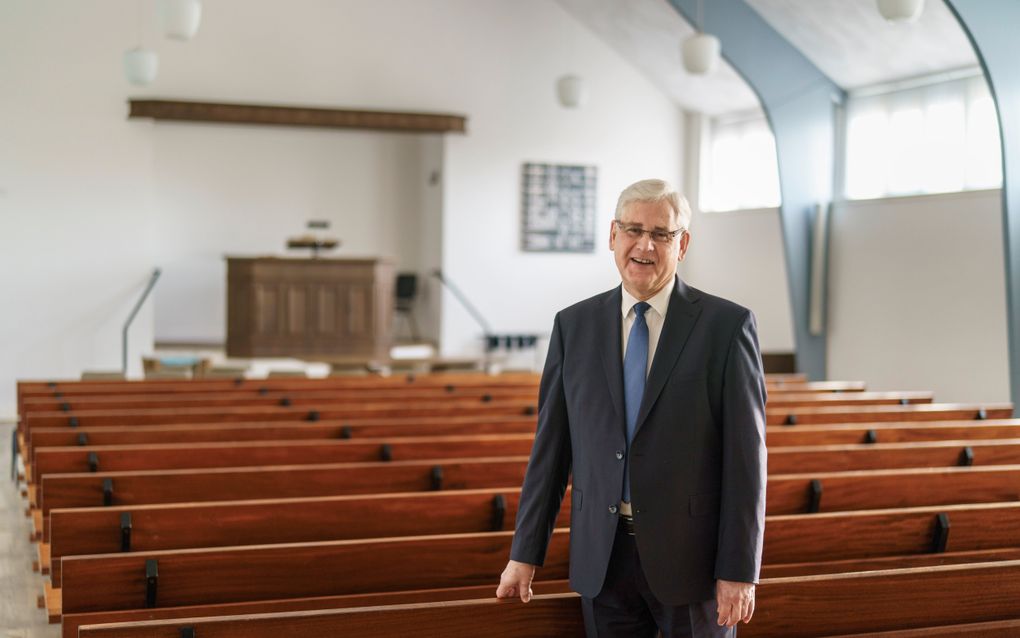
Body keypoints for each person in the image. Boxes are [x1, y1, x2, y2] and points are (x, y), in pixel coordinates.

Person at [496, 178, 767, 637]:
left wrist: (740, 570)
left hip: (693, 564)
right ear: (612, 236)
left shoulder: (727, 326)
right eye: (633, 229)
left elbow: (746, 462)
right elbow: (551, 452)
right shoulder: (574, 325)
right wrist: (524, 554)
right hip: (602, 559)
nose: (645, 245)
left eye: (661, 233)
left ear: (682, 244)